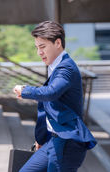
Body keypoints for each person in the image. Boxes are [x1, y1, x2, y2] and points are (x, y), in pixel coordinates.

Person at [13, 21, 96, 172]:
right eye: (37, 47)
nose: (39, 52)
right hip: (54, 139)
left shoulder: (66, 68)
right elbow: (51, 108)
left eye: (42, 47)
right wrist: (41, 138)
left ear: (58, 43)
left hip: (67, 143)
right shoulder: (55, 67)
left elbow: (51, 93)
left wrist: (25, 90)